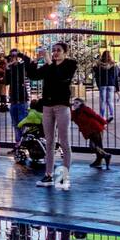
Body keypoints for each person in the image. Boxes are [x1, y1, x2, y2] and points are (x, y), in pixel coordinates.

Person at [25, 42, 78, 190]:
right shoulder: (49, 66)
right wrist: (35, 60)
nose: (55, 53)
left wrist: (48, 61)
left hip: (62, 106)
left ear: (65, 53)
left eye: (58, 51)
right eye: (53, 51)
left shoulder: (70, 64)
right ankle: (48, 175)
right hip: (47, 107)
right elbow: (32, 75)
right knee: (49, 141)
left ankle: (64, 177)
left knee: (64, 142)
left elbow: (61, 78)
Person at [70, 97, 111, 169]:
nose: (75, 104)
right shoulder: (75, 113)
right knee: (96, 146)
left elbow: (95, 115)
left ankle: (105, 156)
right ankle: (101, 159)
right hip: (89, 131)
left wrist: (104, 122)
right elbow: (71, 117)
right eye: (74, 103)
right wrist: (69, 107)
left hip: (95, 128)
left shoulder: (85, 109)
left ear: (81, 104)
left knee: (94, 146)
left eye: (77, 103)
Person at [5, 49, 31, 144]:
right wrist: (7, 69)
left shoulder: (22, 66)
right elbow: (6, 82)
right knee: (15, 124)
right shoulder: (10, 68)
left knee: (22, 123)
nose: (13, 58)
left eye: (14, 56)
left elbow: (28, 60)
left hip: (22, 99)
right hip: (13, 100)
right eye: (11, 56)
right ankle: (18, 144)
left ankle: (24, 144)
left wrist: (20, 54)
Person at [93, 51, 120, 122]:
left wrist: (98, 85)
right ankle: (111, 115)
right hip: (111, 84)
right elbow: (116, 77)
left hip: (103, 84)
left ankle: (102, 117)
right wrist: (117, 88)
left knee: (103, 101)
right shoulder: (113, 65)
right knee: (110, 101)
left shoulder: (99, 65)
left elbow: (97, 76)